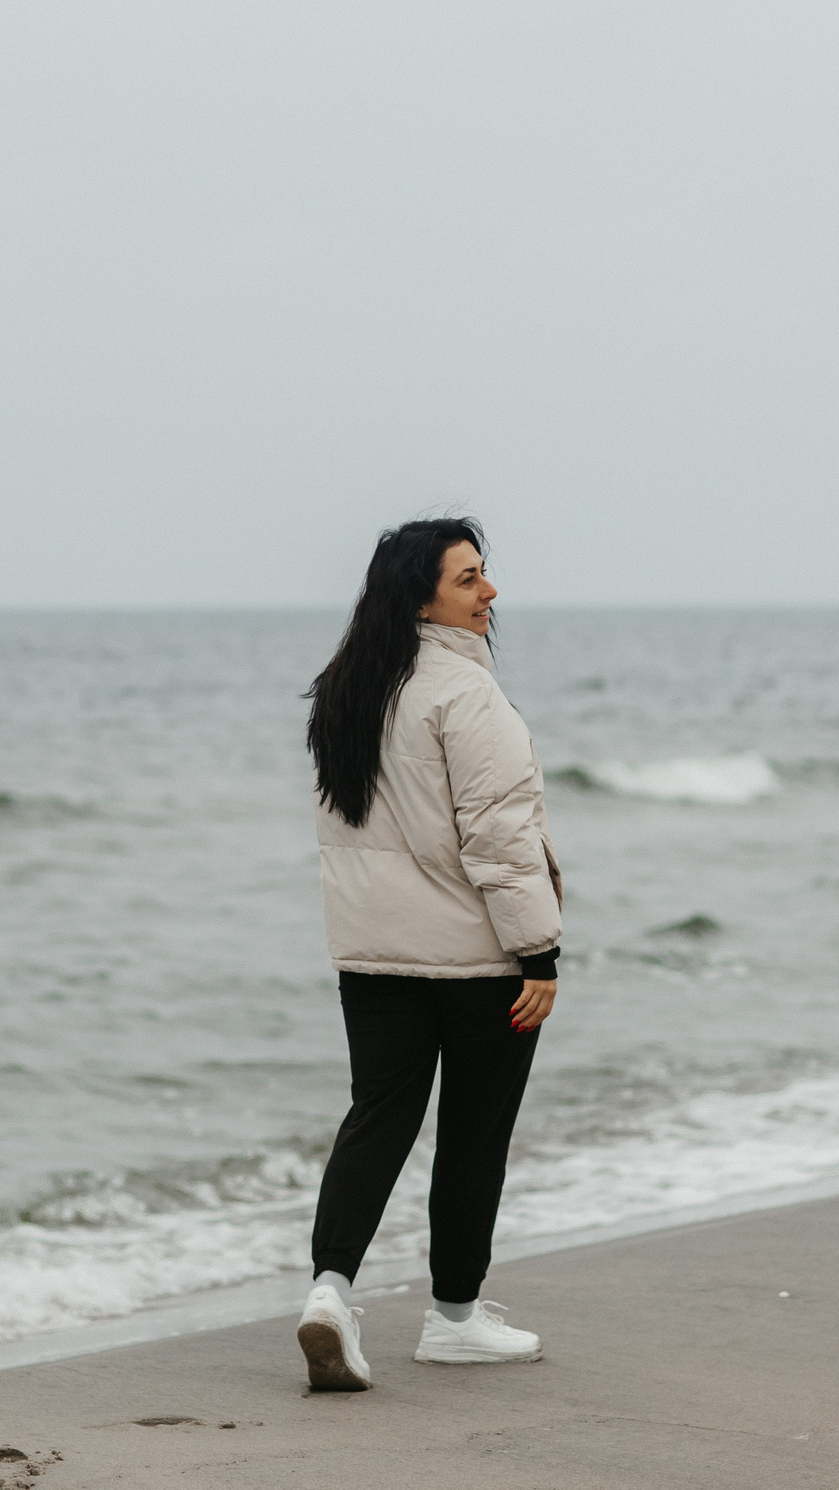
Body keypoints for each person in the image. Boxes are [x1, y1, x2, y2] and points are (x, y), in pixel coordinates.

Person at [294, 516, 563, 1392]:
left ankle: (330, 1294)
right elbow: (501, 836)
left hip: (372, 958)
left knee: (376, 1119)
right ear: (423, 595)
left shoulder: (349, 688)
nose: (489, 591)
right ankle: (452, 1318)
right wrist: (540, 952)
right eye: (469, 578)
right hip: (477, 964)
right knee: (472, 1134)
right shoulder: (464, 693)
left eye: (487, 574)